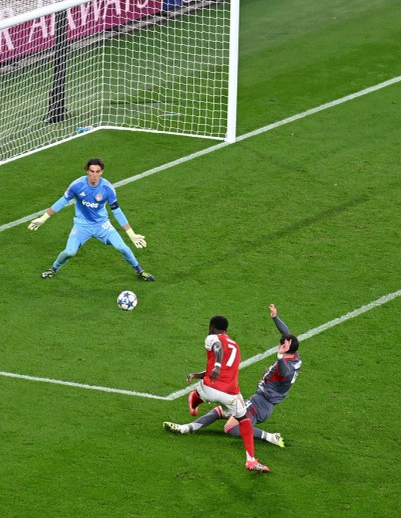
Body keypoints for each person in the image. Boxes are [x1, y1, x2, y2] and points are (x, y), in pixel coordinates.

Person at [165, 303, 301, 450]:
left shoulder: (286, 366)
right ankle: (186, 428)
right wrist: (275, 317)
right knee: (220, 411)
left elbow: (284, 373)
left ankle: (271, 437)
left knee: (230, 428)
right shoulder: (294, 356)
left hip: (260, 403)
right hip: (264, 403)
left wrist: (279, 355)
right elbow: (286, 334)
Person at [163, 314, 269, 472]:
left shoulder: (212, 338)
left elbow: (217, 347)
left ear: (212, 327)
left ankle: (195, 399)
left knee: (200, 393)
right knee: (244, 420)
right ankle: (251, 460)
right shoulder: (235, 346)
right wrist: (200, 373)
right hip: (230, 394)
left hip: (209, 389)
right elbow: (223, 366)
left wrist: (217, 366)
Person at [28, 157, 155, 282]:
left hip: (102, 225)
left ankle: (140, 271)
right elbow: (62, 201)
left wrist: (131, 234)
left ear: (102, 171)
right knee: (69, 252)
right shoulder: (77, 185)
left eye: (97, 171)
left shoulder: (107, 188)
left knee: (122, 247)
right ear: (87, 171)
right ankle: (53, 269)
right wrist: (43, 218)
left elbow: (117, 211)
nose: (94, 175)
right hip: (81, 225)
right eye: (92, 171)